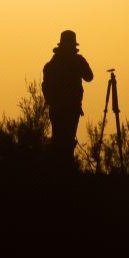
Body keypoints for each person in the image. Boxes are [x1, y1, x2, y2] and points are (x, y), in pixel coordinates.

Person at [41, 30, 94, 166]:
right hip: (69, 110)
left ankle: (59, 170)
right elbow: (89, 76)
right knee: (66, 142)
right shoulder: (75, 61)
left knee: (58, 141)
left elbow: (46, 87)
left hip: (58, 110)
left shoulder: (52, 64)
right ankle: (65, 172)